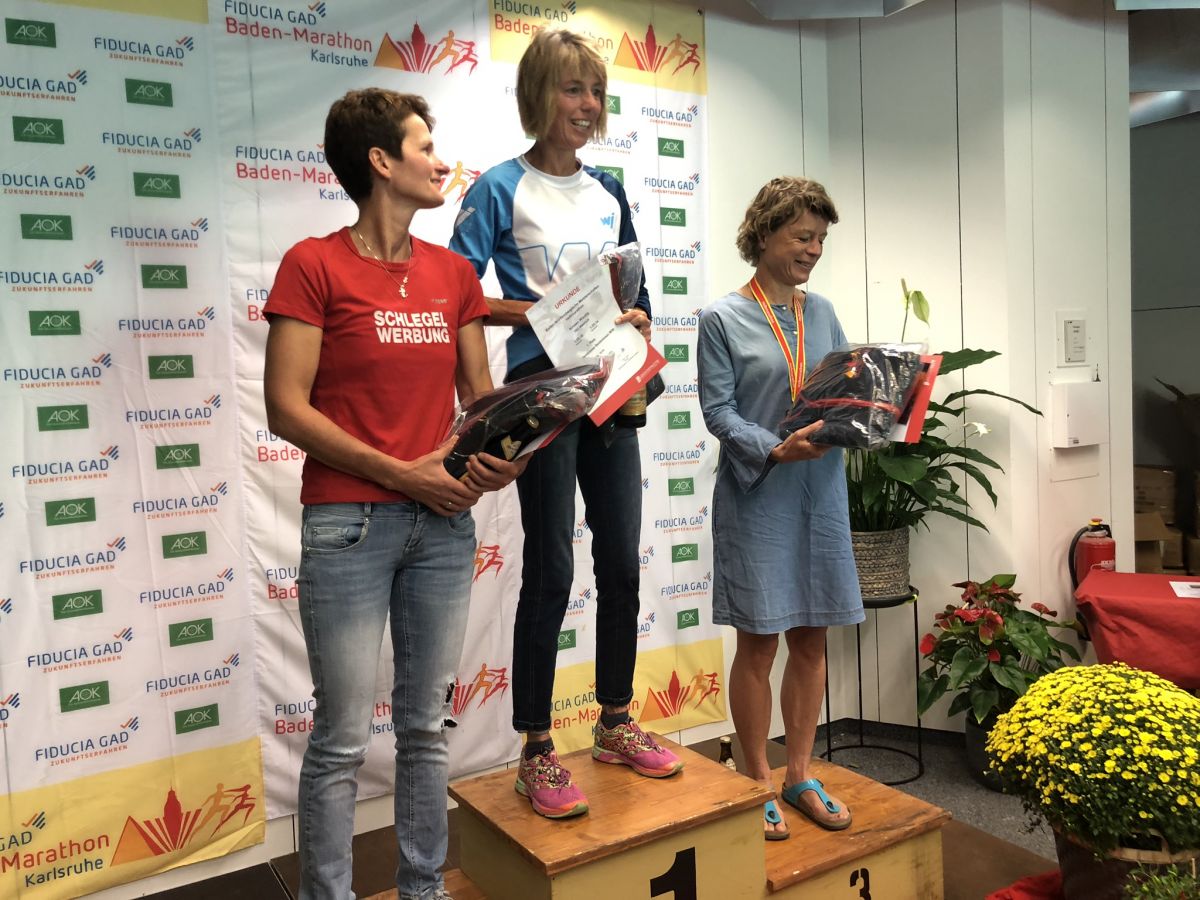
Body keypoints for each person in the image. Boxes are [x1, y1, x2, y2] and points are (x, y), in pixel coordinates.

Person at [263, 89, 524, 900]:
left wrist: (502, 458)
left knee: (425, 729)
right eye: (424, 146)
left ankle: (423, 889)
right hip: (347, 523)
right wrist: (401, 473)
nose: (442, 163)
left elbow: (479, 402)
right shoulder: (313, 264)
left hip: (442, 526)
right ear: (379, 161)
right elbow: (286, 408)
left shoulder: (453, 275)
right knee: (342, 738)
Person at [450, 28, 682, 820]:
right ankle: (537, 749)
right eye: (572, 89)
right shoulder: (497, 187)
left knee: (620, 562)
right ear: (538, 95)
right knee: (550, 570)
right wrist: (538, 312)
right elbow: (458, 295)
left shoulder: (610, 188)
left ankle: (615, 720)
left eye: (596, 92)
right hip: (542, 392)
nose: (587, 105)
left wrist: (637, 316)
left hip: (613, 388)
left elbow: (633, 290)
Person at [696, 177, 865, 841]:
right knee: (759, 642)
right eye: (802, 236)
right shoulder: (721, 318)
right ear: (764, 234)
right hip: (760, 491)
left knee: (813, 637)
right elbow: (718, 411)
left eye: (820, 239)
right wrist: (773, 448)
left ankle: (800, 773)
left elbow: (844, 389)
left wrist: (878, 409)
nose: (813, 250)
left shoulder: (822, 312)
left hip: (819, 494)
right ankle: (756, 780)